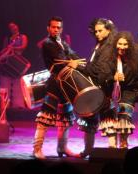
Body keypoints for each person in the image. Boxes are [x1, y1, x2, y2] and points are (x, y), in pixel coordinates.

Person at [32, 16, 82, 159]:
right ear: (48, 28)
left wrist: (78, 61)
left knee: (65, 117)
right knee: (45, 117)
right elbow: (58, 58)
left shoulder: (62, 43)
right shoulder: (47, 43)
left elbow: (73, 54)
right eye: (53, 27)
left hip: (65, 85)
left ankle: (62, 147)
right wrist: (70, 62)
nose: (56, 29)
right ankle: (37, 149)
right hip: (54, 84)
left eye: (58, 27)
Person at [99, 31, 138, 149]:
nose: (122, 47)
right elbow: (103, 75)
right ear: (116, 44)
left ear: (130, 45)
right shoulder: (111, 58)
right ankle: (123, 145)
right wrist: (113, 77)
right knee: (123, 119)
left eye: (125, 44)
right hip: (127, 91)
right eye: (119, 44)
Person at [76, 18, 118, 156]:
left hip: (104, 88)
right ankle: (88, 150)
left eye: (100, 31)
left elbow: (99, 70)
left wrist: (79, 66)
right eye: (96, 31)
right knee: (90, 120)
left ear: (109, 30)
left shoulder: (109, 47)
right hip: (95, 87)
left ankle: (112, 150)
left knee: (108, 119)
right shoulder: (100, 45)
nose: (97, 33)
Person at [0, 22, 28, 108]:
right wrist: (3, 53)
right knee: (5, 83)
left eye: (14, 25)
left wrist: (12, 48)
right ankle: (4, 105)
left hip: (17, 63)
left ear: (17, 26)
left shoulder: (23, 37)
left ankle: (18, 105)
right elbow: (3, 50)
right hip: (8, 63)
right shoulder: (7, 39)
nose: (13, 27)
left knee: (17, 84)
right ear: (9, 30)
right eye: (11, 27)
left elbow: (23, 46)